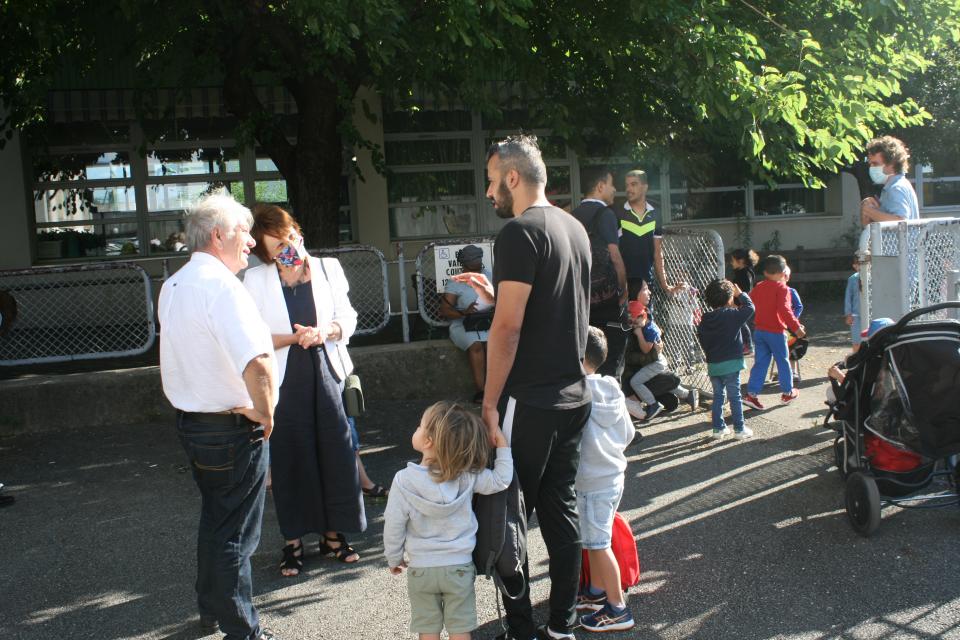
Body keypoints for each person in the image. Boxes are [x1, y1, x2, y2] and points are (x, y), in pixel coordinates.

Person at [452, 134, 592, 640]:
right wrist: (495, 300)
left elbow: (507, 330)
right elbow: (552, 307)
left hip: (529, 400)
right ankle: (563, 625)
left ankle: (520, 629)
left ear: (513, 177)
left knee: (506, 517)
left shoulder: (517, 233)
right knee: (560, 511)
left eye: (492, 181)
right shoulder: (573, 227)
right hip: (574, 395)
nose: (490, 193)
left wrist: (488, 404)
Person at [158, 193, 278, 640]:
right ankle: (242, 629)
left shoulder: (173, 285)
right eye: (243, 231)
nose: (250, 240)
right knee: (235, 536)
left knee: (216, 520)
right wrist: (265, 415)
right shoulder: (224, 287)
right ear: (218, 235)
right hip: (231, 429)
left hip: (194, 423)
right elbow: (259, 363)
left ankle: (212, 610)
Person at [244, 204, 365, 577]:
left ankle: (334, 535)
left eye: (289, 237)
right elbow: (251, 334)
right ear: (265, 255)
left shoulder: (328, 267)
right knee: (290, 457)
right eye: (277, 247)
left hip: (327, 370)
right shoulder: (257, 280)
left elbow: (348, 317)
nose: (288, 248)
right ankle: (292, 541)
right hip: (283, 375)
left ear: (297, 230)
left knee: (336, 452)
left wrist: (323, 332)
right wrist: (294, 338)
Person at [383, 401, 513, 640]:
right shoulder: (467, 476)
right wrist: (502, 445)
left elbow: (393, 525)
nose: (417, 428)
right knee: (460, 628)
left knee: (428, 628)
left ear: (428, 441)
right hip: (459, 567)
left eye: (420, 426)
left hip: (421, 569)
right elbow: (500, 480)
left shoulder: (403, 481)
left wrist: (394, 557)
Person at [574, 327, 636, 632]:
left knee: (598, 544)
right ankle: (597, 593)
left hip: (590, 482)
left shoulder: (576, 393)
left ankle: (618, 607)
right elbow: (629, 434)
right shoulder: (612, 387)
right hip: (613, 474)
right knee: (597, 539)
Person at [571, 166, 629, 379]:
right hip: (607, 300)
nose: (615, 190)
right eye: (612, 184)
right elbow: (615, 256)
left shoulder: (571, 216)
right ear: (600, 186)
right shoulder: (606, 215)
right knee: (611, 357)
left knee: (586, 355)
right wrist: (623, 291)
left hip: (582, 300)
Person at [624, 281, 698, 422]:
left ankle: (653, 405)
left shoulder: (645, 324)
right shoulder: (636, 320)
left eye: (633, 318)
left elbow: (647, 349)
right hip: (648, 363)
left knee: (638, 382)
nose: (649, 292)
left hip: (654, 361)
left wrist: (640, 334)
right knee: (668, 397)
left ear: (641, 316)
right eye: (645, 289)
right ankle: (687, 395)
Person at [742, 255, 806, 411]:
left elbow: (749, 302)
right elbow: (785, 311)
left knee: (761, 363)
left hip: (759, 331)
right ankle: (787, 392)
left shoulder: (759, 286)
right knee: (783, 361)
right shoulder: (782, 288)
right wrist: (796, 328)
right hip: (776, 332)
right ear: (783, 272)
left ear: (765, 272)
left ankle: (752, 394)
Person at [697, 279, 755, 439]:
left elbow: (702, 339)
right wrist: (741, 294)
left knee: (718, 396)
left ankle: (718, 428)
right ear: (729, 298)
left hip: (714, 364)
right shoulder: (732, 315)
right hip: (731, 363)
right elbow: (750, 308)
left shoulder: (705, 319)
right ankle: (739, 428)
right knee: (735, 396)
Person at [440, 245, 494, 404]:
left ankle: (495, 389)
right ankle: (482, 391)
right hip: (463, 323)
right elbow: (444, 310)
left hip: (487, 321)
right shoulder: (455, 282)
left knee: (493, 344)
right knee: (476, 344)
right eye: (471, 265)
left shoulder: (489, 277)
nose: (476, 268)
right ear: (463, 265)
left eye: (477, 264)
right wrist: (465, 312)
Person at [618, 169, 683, 301]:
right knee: (626, 322)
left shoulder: (655, 214)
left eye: (634, 184)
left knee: (646, 320)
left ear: (645, 187)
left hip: (646, 284)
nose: (629, 189)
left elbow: (657, 252)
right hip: (623, 285)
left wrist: (665, 285)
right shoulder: (617, 213)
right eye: (627, 185)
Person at [860, 136, 919, 226]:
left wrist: (868, 211)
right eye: (870, 164)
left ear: (892, 164)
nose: (871, 168)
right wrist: (874, 210)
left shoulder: (896, 188)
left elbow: (901, 221)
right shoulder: (899, 184)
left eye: (875, 164)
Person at [729, 248, 758, 355]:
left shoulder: (745, 273)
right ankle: (744, 344)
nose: (731, 262)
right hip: (739, 301)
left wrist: (739, 301)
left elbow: (746, 289)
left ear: (741, 261)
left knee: (741, 323)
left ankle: (748, 345)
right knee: (739, 323)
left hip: (741, 302)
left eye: (733, 260)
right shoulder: (741, 272)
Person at [845, 255, 862, 353]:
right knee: (856, 342)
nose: (860, 266)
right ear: (854, 266)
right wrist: (848, 314)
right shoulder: (852, 279)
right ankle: (857, 362)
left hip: (871, 313)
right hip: (856, 314)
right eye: (858, 264)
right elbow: (848, 297)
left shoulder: (873, 276)